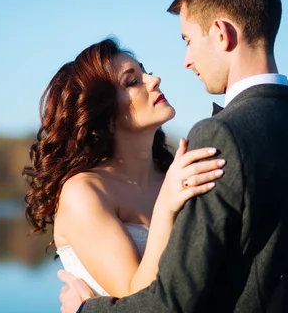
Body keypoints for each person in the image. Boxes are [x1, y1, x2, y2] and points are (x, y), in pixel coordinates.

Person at [58, 0, 288, 313]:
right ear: (102, 112)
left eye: (188, 40)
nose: (180, 64)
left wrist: (85, 310)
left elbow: (174, 302)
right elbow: (287, 283)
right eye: (133, 80)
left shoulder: (211, 143)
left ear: (221, 34)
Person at [24, 38, 226, 297]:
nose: (154, 80)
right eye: (132, 82)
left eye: (145, 73)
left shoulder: (173, 175)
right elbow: (139, 300)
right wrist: (166, 206)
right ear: (101, 112)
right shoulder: (84, 192)